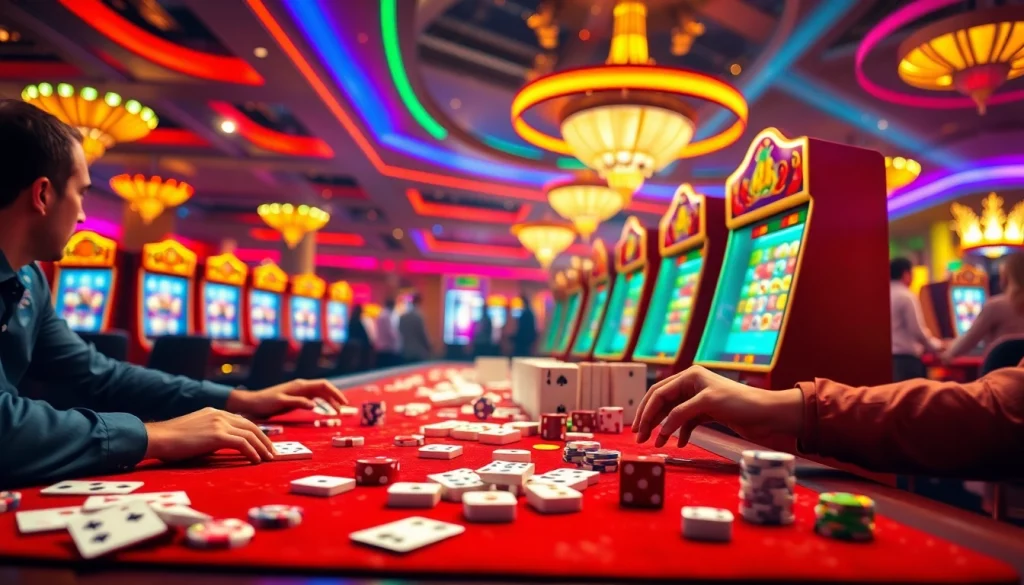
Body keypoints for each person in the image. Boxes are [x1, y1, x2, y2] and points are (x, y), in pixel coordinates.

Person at [0, 99, 347, 488]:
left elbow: (100, 376)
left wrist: (241, 399)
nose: (82, 214)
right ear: (43, 195)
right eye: (81, 193)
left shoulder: (29, 279)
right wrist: (158, 435)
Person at [942, 254, 1024, 363]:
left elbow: (968, 341)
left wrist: (947, 353)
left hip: (999, 375)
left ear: (1006, 278)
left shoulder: (996, 306)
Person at [890, 257, 943, 381]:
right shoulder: (906, 296)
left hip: (889, 359)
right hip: (907, 360)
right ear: (906, 274)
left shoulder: (883, 293)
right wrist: (936, 346)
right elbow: (917, 330)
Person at [398, 292, 431, 363]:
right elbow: (423, 335)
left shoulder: (402, 317)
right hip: (418, 353)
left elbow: (399, 333)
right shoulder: (418, 317)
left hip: (405, 352)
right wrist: (429, 347)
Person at [373, 298, 401, 368]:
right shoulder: (387, 316)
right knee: (388, 372)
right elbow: (390, 332)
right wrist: (399, 340)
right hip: (387, 349)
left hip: (380, 348)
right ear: (392, 305)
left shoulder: (380, 314)